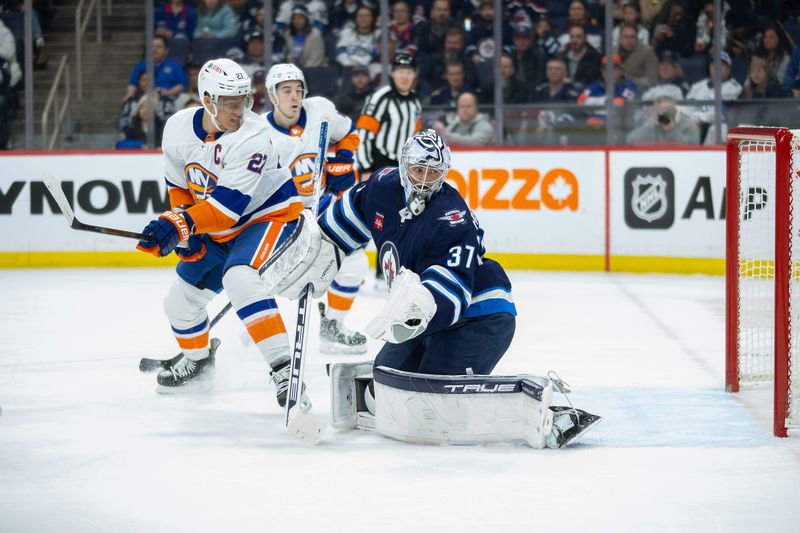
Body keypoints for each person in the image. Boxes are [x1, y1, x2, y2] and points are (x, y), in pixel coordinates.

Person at [315, 130, 600, 448]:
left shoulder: (451, 218)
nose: (424, 181)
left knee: (431, 403)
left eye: (433, 172)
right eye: (418, 170)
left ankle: (544, 415)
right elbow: (341, 224)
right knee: (383, 383)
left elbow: (454, 292)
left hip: (479, 316)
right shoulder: (381, 186)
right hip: (424, 321)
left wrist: (420, 303)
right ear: (403, 165)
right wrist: (315, 251)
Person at [134, 58, 307, 410]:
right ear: (208, 100)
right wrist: (184, 227)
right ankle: (198, 361)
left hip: (269, 217)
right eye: (229, 101)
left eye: (243, 99)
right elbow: (180, 187)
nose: (239, 109)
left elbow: (226, 209)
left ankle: (284, 370)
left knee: (240, 278)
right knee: (179, 305)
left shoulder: (253, 136)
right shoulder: (178, 128)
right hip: (217, 228)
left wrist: (180, 225)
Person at [262, 63, 369, 354]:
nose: (294, 97)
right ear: (272, 96)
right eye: (286, 91)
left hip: (321, 209)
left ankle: (332, 326)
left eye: (298, 90)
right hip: (281, 218)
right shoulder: (259, 133)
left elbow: (350, 132)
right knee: (271, 282)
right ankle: (259, 335)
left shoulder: (320, 110)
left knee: (356, 263)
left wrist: (343, 158)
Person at [355, 52, 422, 174]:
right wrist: (365, 169)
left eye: (409, 72)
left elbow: (415, 137)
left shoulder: (415, 103)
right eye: (401, 72)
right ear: (393, 73)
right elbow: (363, 134)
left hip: (403, 168)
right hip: (378, 165)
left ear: (414, 76)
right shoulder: (380, 98)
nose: (404, 77)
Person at [124, 36, 187, 104]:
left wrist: (168, 92)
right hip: (145, 99)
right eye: (152, 46)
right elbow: (132, 84)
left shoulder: (174, 65)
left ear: (166, 50)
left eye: (158, 47)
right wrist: (129, 95)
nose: (154, 49)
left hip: (169, 99)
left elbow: (182, 85)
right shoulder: (141, 65)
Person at [626, 95, 700, 144]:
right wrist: (649, 127)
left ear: (675, 110)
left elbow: (691, 148)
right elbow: (630, 139)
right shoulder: (653, 122)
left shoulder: (688, 124)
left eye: (668, 110)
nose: (664, 113)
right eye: (660, 110)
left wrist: (672, 130)